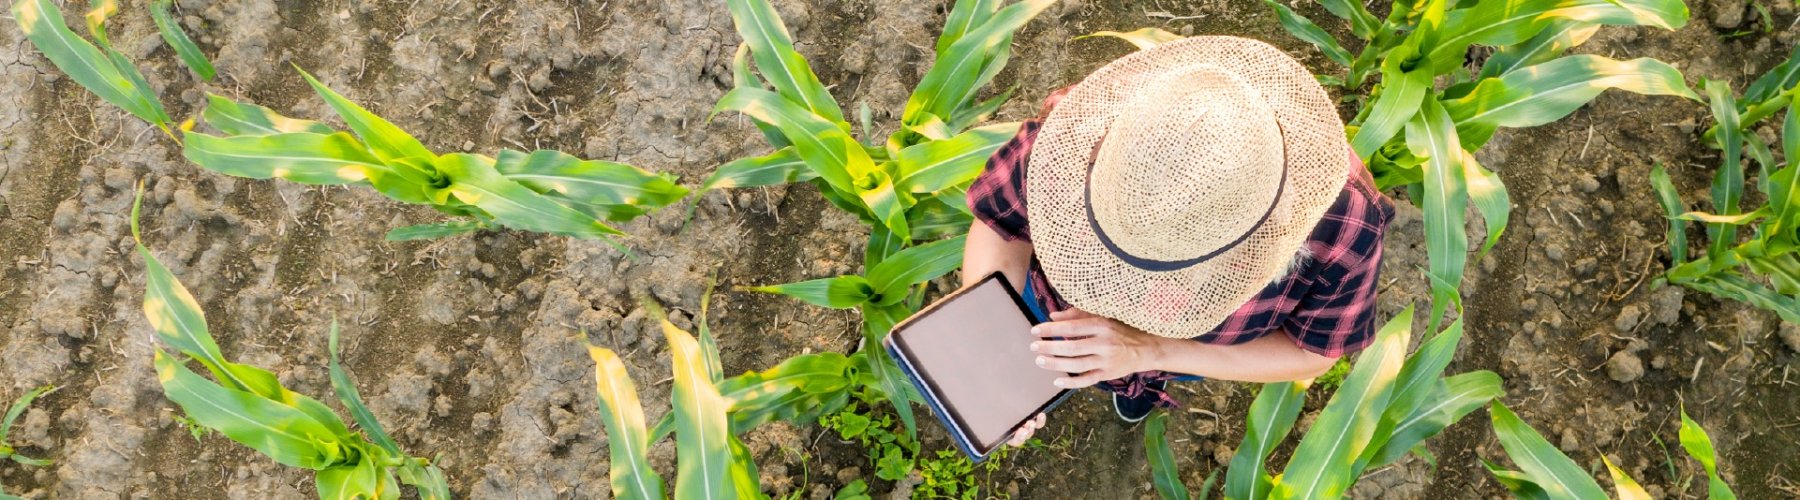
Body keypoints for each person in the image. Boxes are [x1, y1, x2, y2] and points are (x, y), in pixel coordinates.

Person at [959, 36, 1395, 446]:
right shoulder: (1076, 131)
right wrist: (995, 341)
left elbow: (1311, 352)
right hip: (1050, 311)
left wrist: (1151, 352)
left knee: (1153, 376)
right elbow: (1001, 225)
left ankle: (1141, 389)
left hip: (1194, 352)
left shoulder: (1345, 223)